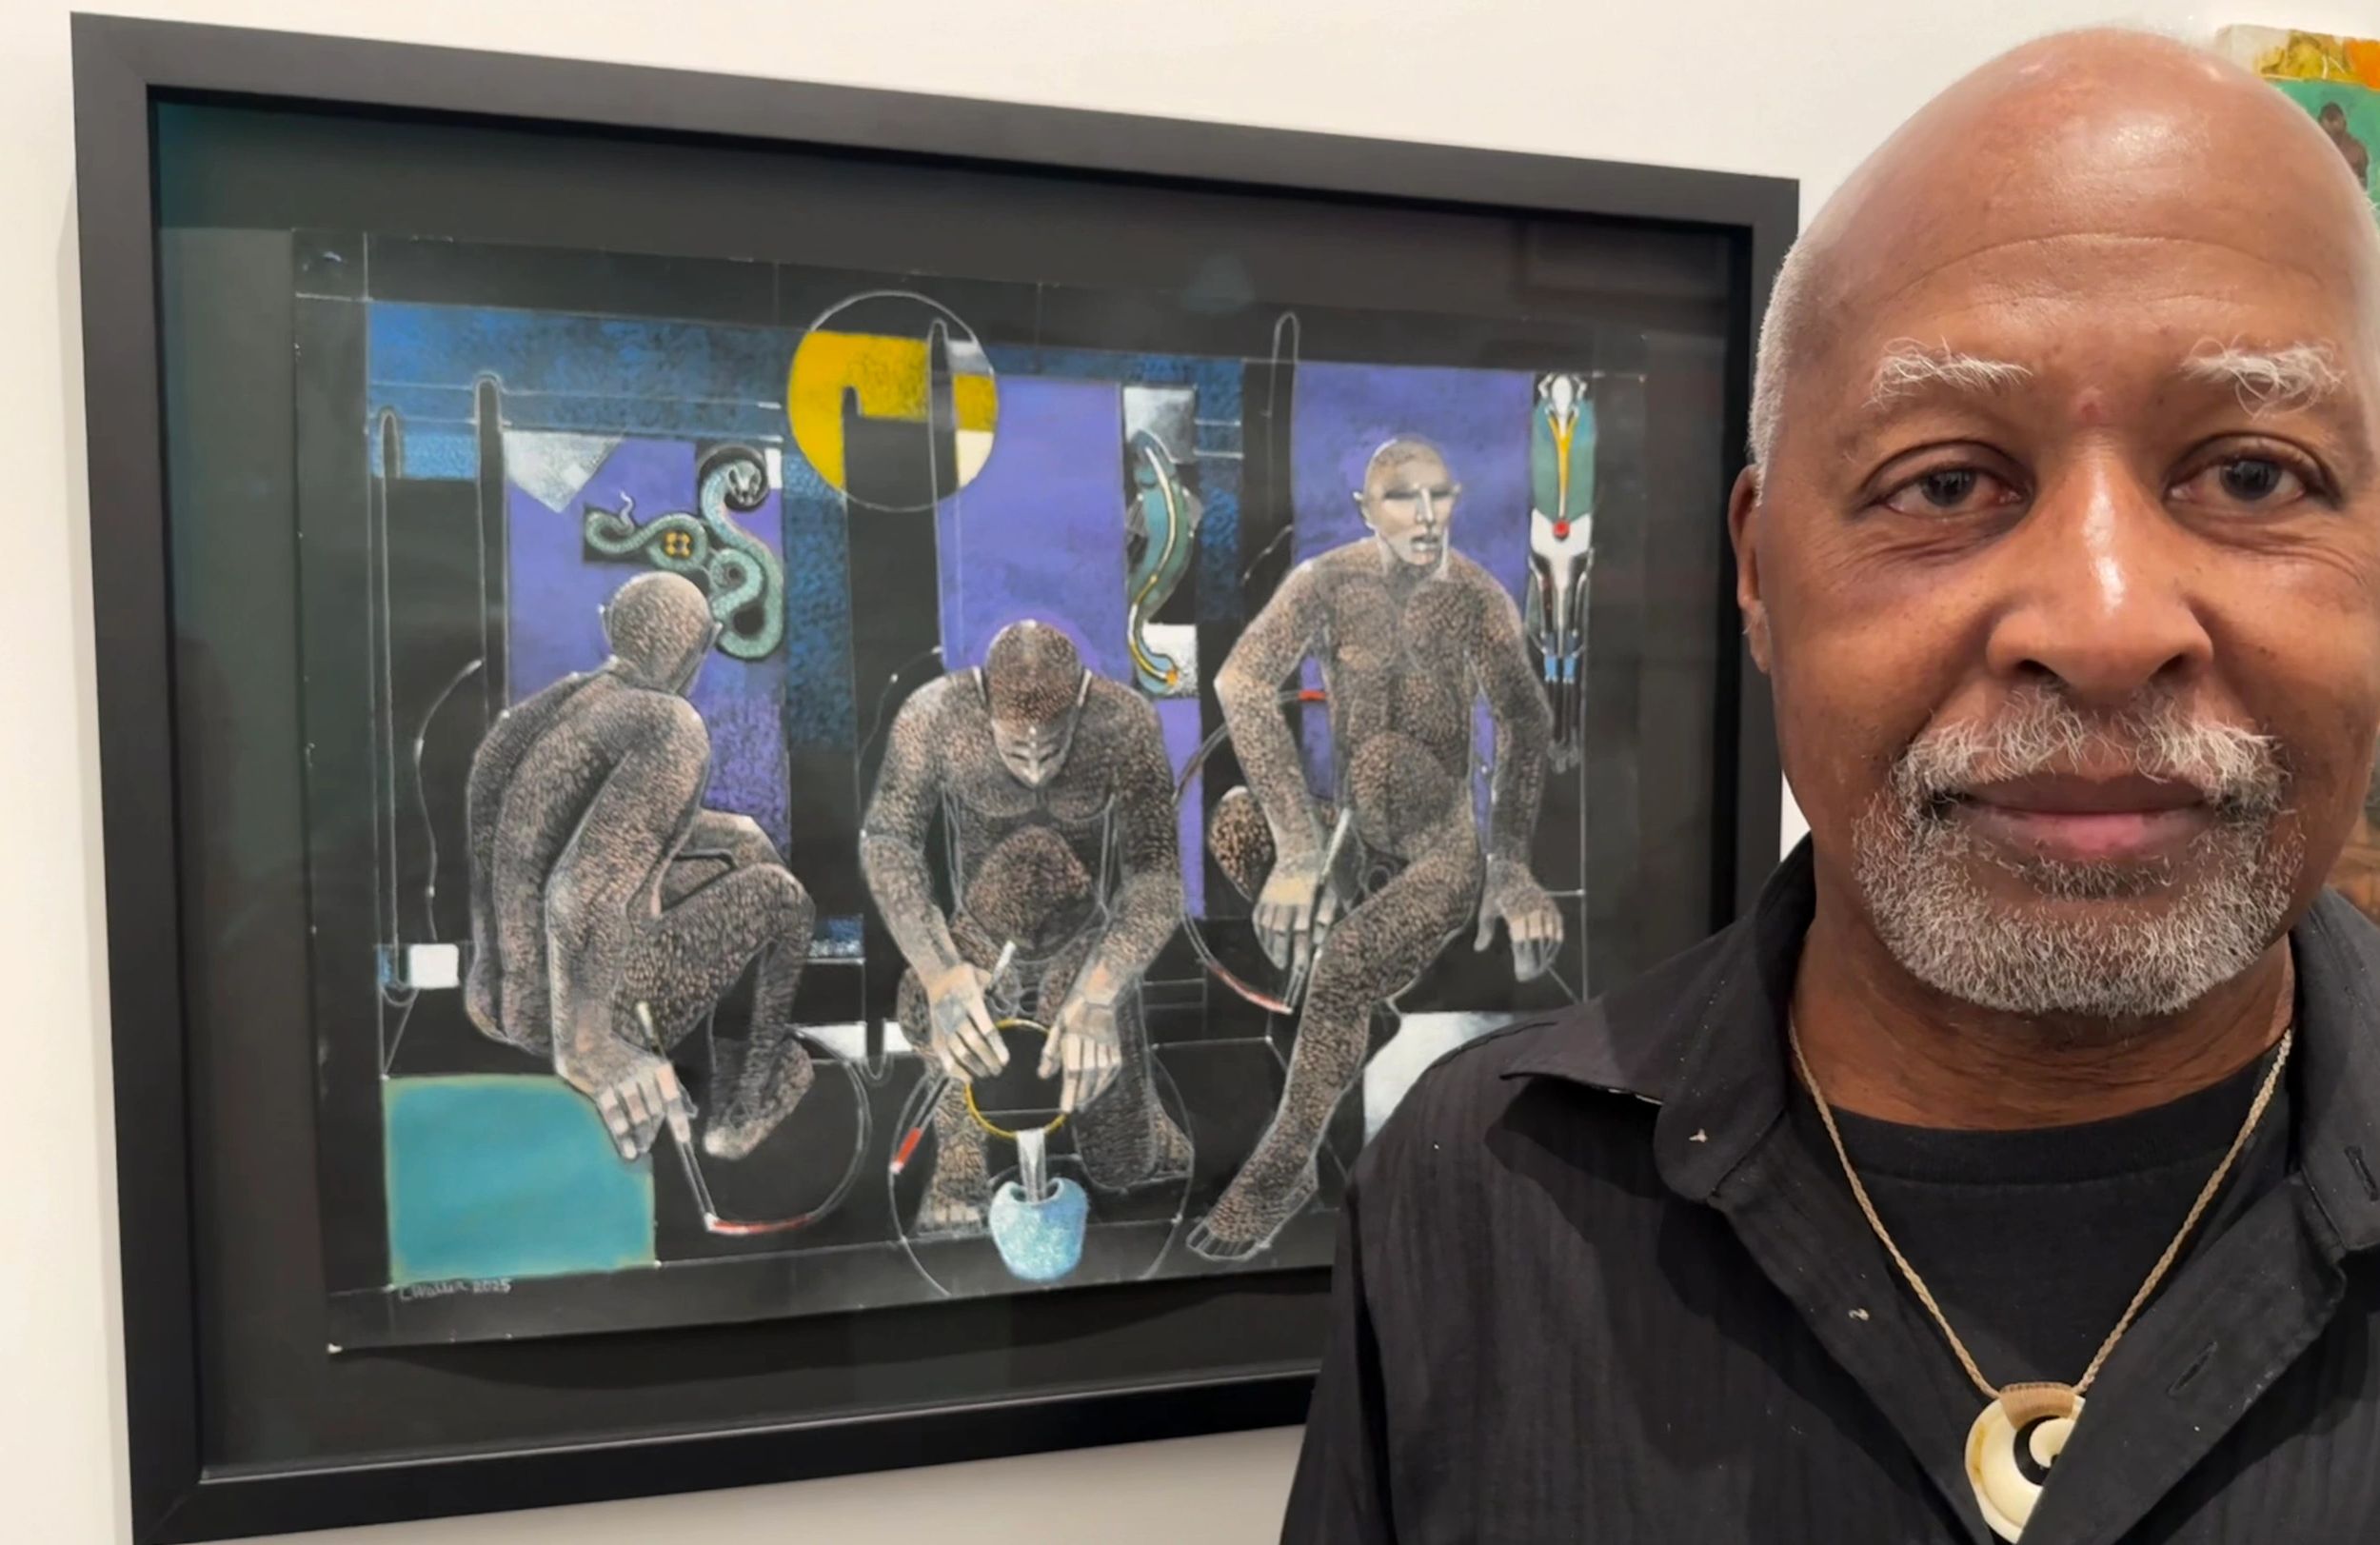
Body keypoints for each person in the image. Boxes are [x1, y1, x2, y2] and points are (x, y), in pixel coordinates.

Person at [1285, 30, 2380, 1544]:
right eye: (1946, 482)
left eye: (2253, 474)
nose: (2104, 623)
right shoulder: (1479, 1191)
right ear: (1757, 568)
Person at [1194, 437, 1562, 1260]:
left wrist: (1509, 864)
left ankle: (1284, 1166)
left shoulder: (1475, 597)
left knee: (1345, 963)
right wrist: (1299, 847)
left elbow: (1526, 719)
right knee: (1236, 820)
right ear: (1367, 509)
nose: (1426, 517)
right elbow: (1240, 681)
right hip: (1352, 833)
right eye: (1403, 498)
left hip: (1441, 849)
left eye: (1440, 495)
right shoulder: (1327, 582)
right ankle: (1355, 1006)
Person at [465, 571, 816, 1163]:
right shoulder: (668, 725)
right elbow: (582, 889)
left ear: (611, 627)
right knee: (781, 896)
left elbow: (558, 836)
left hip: (501, 999)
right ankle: (745, 1101)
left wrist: (735, 833)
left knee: (730, 863)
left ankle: (709, 1055)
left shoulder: (523, 724)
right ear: (703, 645)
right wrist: (589, 1046)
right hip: (576, 1013)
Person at [861, 620, 1190, 1235]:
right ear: (984, 703)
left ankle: (1141, 1120)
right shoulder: (934, 713)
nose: (1036, 767)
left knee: (1127, 1165)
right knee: (927, 998)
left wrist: (1101, 991)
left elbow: (1156, 877)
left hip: (1082, 941)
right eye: (1018, 750)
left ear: (1081, 703)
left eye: (1052, 747)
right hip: (981, 935)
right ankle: (959, 1155)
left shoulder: (1123, 721)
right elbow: (887, 841)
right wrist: (940, 973)